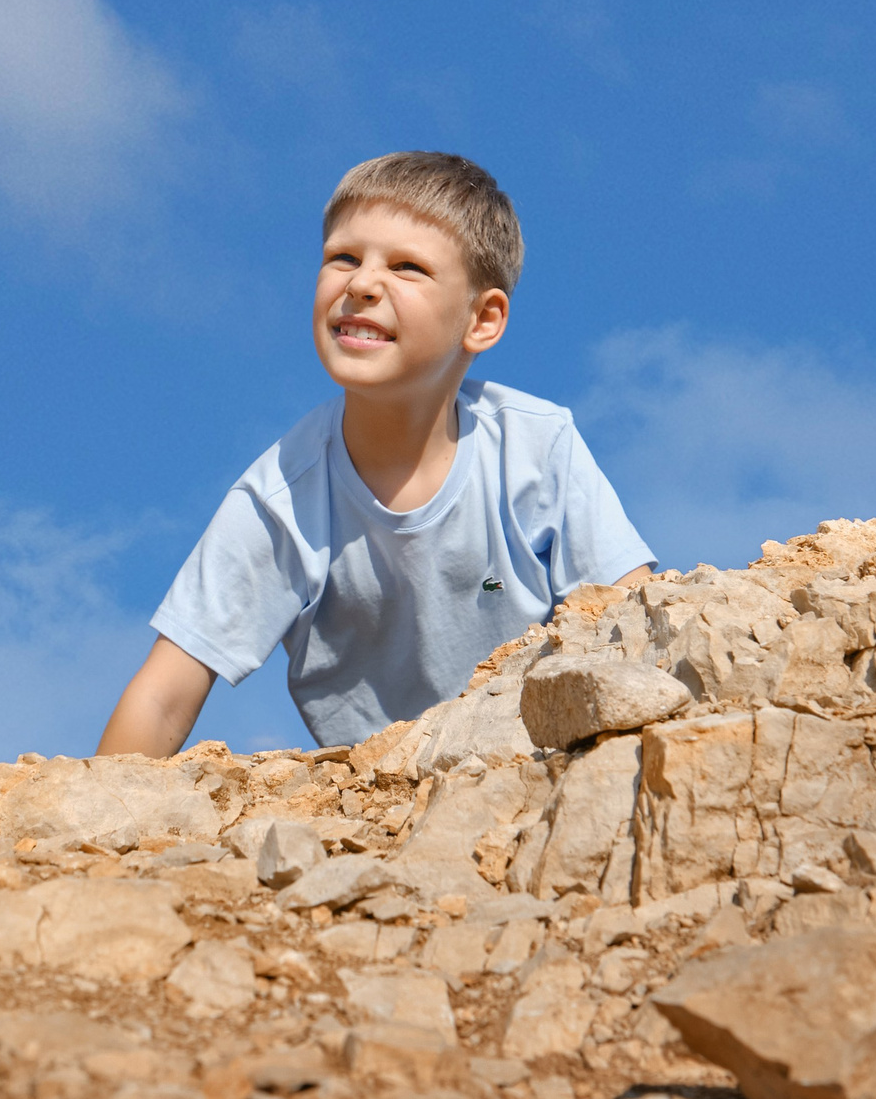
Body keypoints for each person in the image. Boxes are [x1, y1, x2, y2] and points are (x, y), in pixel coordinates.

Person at [97, 151, 655, 757]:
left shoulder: (535, 447)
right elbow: (163, 696)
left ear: (483, 319)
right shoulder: (282, 498)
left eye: (408, 267)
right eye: (342, 257)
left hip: (541, 768)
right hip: (383, 798)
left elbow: (636, 621)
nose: (360, 284)